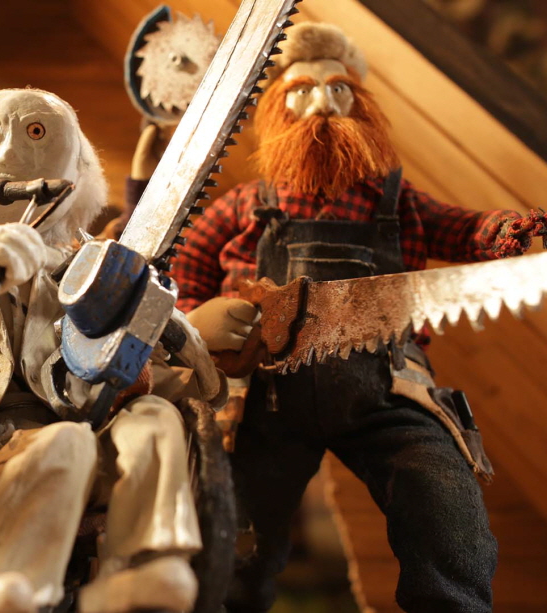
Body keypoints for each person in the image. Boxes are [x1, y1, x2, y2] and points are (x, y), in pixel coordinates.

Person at [171, 22, 545, 613]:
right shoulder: (248, 204)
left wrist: (506, 230)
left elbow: (461, 228)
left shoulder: (395, 200)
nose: (322, 103)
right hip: (264, 398)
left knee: (447, 509)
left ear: (361, 104)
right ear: (277, 108)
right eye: (302, 90)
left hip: (388, 387)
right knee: (234, 537)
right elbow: (186, 263)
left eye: (338, 89)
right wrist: (197, 326)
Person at [0, 88, 225, 613]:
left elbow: (197, 380)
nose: (9, 154)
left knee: (154, 418)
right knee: (65, 444)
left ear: (79, 169)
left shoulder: (98, 265)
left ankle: (145, 569)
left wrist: (185, 342)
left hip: (96, 423)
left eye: (36, 133)